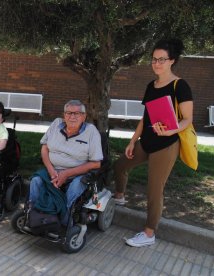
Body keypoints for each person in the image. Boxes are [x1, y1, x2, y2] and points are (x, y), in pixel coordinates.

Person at [113, 39, 193, 247]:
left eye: (162, 59)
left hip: (166, 145)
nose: (156, 63)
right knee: (120, 165)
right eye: (154, 59)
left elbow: (187, 119)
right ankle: (119, 197)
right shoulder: (152, 85)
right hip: (147, 140)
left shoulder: (180, 86)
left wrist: (170, 131)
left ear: (171, 61)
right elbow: (145, 118)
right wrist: (132, 141)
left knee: (154, 189)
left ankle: (149, 234)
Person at [28, 100, 103, 225]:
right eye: (69, 113)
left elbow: (96, 163)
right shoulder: (56, 124)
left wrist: (66, 174)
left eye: (77, 113)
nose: (72, 116)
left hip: (77, 174)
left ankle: (64, 219)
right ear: (64, 115)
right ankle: (34, 214)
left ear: (84, 116)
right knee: (36, 181)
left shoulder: (91, 131)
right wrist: (52, 171)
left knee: (74, 188)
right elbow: (44, 148)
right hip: (52, 170)